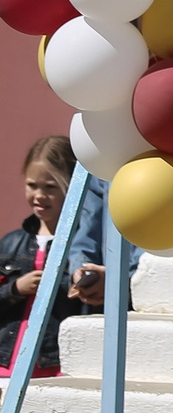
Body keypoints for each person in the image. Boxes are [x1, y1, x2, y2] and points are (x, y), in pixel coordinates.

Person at [3, 136, 105, 378]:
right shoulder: (11, 242)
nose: (39, 195)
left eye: (50, 187)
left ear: (72, 188)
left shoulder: (83, 249)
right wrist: (15, 288)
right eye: (32, 185)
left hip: (55, 363)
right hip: (8, 362)